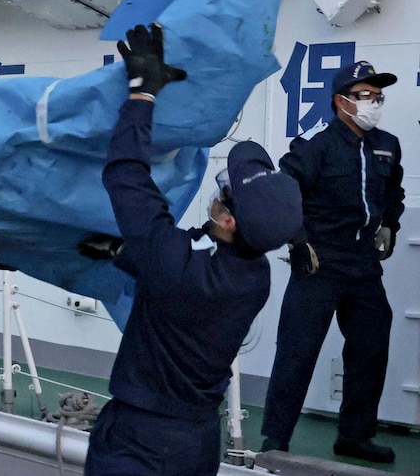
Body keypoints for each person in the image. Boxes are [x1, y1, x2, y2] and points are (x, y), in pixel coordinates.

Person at [82, 24, 302, 475]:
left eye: (225, 190)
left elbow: (126, 174)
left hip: (139, 442)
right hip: (197, 441)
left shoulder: (176, 265)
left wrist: (142, 93)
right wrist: (122, 252)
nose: (218, 191)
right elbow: (175, 262)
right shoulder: (254, 275)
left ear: (228, 219)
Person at [260, 60, 404, 463]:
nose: (374, 102)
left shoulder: (387, 144)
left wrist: (389, 224)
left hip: (362, 265)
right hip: (318, 262)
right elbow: (286, 193)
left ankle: (354, 436)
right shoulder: (316, 144)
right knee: (297, 351)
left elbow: (394, 191)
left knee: (371, 347)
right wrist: (299, 242)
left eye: (378, 95)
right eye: (365, 95)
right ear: (341, 101)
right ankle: (275, 438)